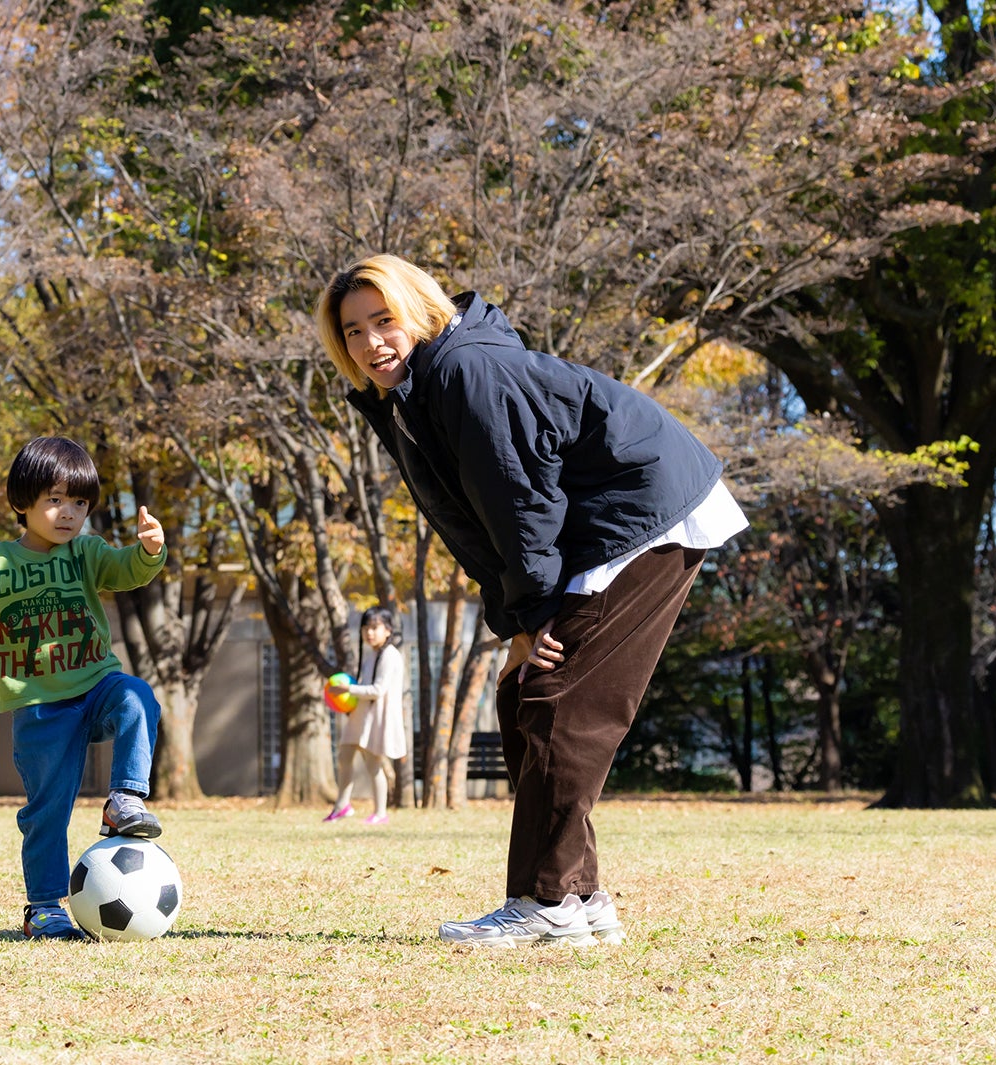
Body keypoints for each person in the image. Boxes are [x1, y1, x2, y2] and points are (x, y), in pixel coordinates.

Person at [315, 254, 747, 948]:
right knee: (524, 694)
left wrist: (535, 612)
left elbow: (522, 503)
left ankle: (543, 902)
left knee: (556, 700)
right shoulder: (412, 398)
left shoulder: (463, 373)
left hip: (642, 512)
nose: (372, 343)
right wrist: (518, 619)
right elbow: (476, 522)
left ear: (418, 311)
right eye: (354, 330)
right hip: (597, 529)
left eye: (385, 320)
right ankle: (578, 896)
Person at [0, 436, 168, 941]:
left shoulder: (87, 553)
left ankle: (125, 800)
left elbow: (127, 571)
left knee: (137, 695)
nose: (69, 513)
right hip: (39, 709)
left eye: (79, 502)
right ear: (21, 502)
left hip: (95, 685)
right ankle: (43, 907)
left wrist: (149, 550)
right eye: (55, 500)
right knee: (46, 811)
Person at [323, 606, 409, 826]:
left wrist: (347, 690)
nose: (369, 633)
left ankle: (380, 813)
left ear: (388, 630)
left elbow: (378, 690)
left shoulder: (390, 656)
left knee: (373, 765)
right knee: (344, 756)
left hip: (377, 717)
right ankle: (342, 806)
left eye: (374, 628)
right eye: (365, 629)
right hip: (362, 715)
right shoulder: (373, 655)